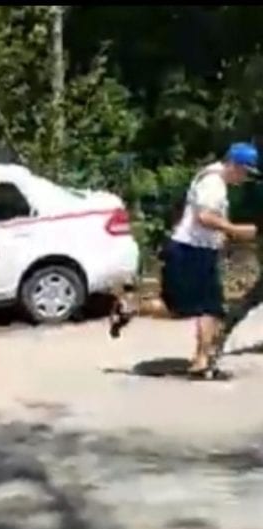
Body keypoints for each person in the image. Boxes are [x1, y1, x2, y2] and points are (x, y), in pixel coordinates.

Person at [110, 142, 259, 376]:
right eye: (245, 171)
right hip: (191, 252)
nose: (245, 177)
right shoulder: (214, 184)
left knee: (181, 308)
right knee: (210, 308)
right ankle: (202, 362)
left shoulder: (212, 178)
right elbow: (204, 217)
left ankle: (132, 307)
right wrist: (236, 230)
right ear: (234, 164)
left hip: (193, 251)